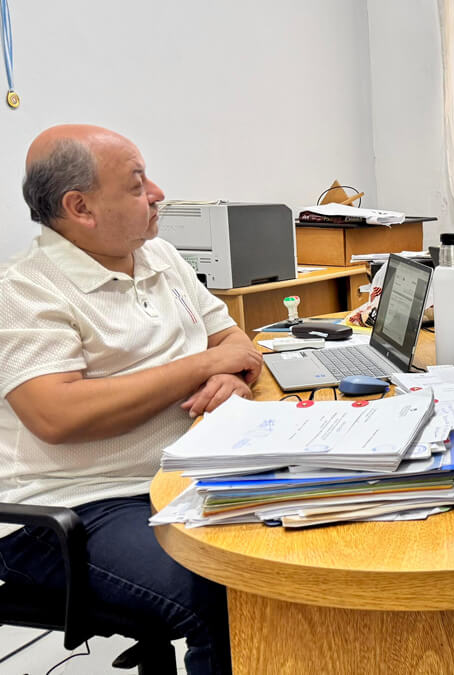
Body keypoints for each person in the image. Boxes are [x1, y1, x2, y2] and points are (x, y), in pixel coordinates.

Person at [0, 125, 264, 675]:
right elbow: (56, 414)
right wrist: (200, 366)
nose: (159, 194)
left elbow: (232, 339)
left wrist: (235, 377)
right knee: (229, 593)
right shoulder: (24, 291)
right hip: (74, 509)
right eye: (138, 184)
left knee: (300, 546)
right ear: (81, 207)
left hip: (184, 479)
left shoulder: (158, 255)